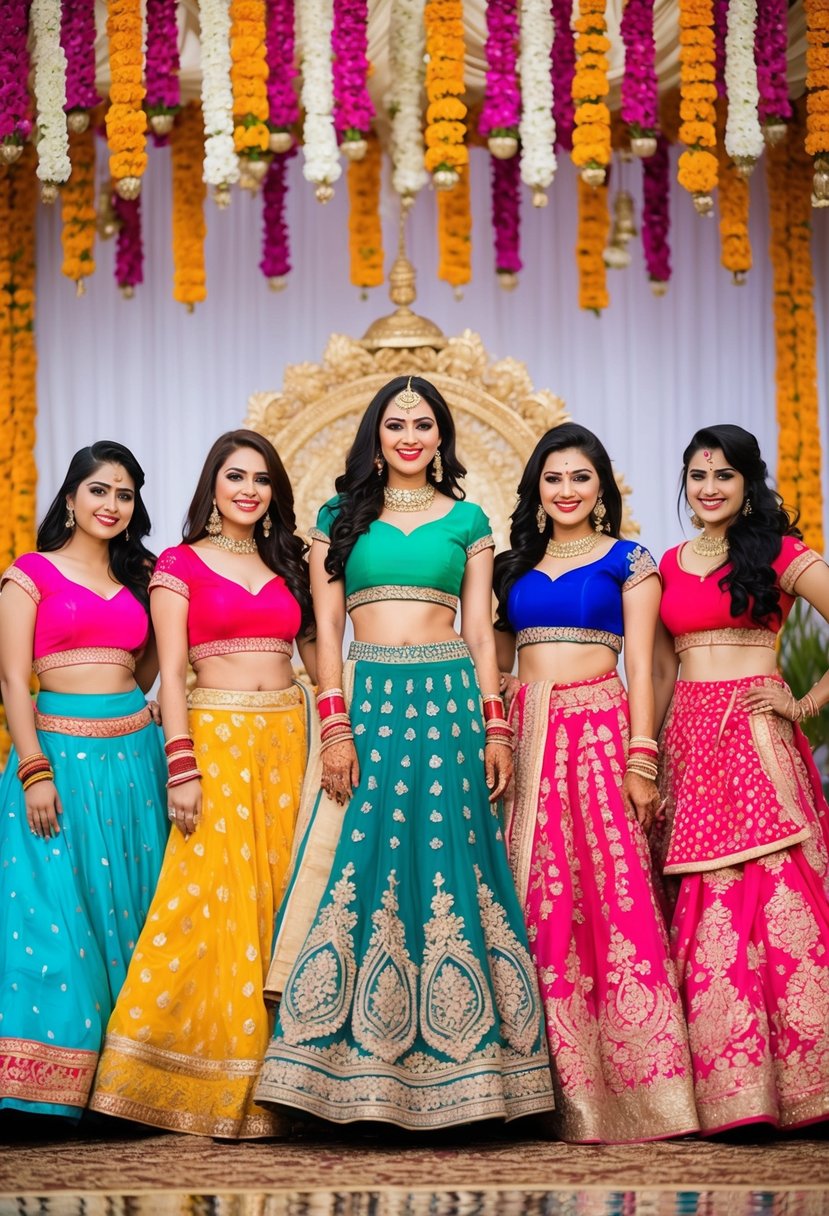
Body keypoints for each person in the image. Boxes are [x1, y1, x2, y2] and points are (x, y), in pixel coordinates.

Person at [253, 375, 555, 1129]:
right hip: (371, 702)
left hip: (451, 702)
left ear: (441, 438)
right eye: (396, 424)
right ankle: (345, 1076)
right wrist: (333, 725)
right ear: (375, 436)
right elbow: (325, 629)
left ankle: (478, 1076)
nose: (411, 436)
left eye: (424, 424)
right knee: (364, 866)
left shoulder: (468, 519)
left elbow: (484, 634)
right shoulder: (338, 519)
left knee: (453, 864)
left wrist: (495, 726)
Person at [89, 430, 314, 1138]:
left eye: (261, 479)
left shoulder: (291, 562)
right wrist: (180, 763)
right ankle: (177, 1073)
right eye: (234, 476)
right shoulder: (179, 566)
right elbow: (174, 671)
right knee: (208, 896)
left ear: (274, 491)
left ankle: (287, 1085)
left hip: (287, 738)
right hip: (214, 741)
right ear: (211, 487)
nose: (248, 489)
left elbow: (320, 653)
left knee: (285, 896)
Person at [492, 423, 699, 1144]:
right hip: (523, 740)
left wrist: (643, 757)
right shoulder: (513, 562)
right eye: (553, 479)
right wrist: (493, 734)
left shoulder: (628, 561)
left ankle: (634, 1091)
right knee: (530, 902)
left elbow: (643, 667)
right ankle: (530, 1088)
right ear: (536, 489)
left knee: (609, 898)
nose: (566, 490)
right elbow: (493, 666)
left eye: (580, 477)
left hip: (599, 733)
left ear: (601, 488)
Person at [652, 423, 829, 1134]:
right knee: (709, 913)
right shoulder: (666, 561)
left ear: (747, 483)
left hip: (756, 739)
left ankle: (809, 1089)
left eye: (723, 475)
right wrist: (647, 755)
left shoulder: (779, 553)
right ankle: (734, 1096)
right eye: (697, 475)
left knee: (779, 909)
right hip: (689, 747)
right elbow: (662, 670)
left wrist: (803, 702)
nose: (708, 488)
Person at [0, 441, 168, 1121]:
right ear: (69, 498)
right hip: (56, 763)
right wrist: (34, 768)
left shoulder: (141, 578)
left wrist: (148, 710)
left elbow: (151, 665)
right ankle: (42, 1088)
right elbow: (14, 678)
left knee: (130, 911)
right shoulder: (29, 574)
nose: (111, 504)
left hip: (132, 764)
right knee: (52, 918)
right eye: (98, 489)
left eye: (125, 494)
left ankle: (121, 1091)